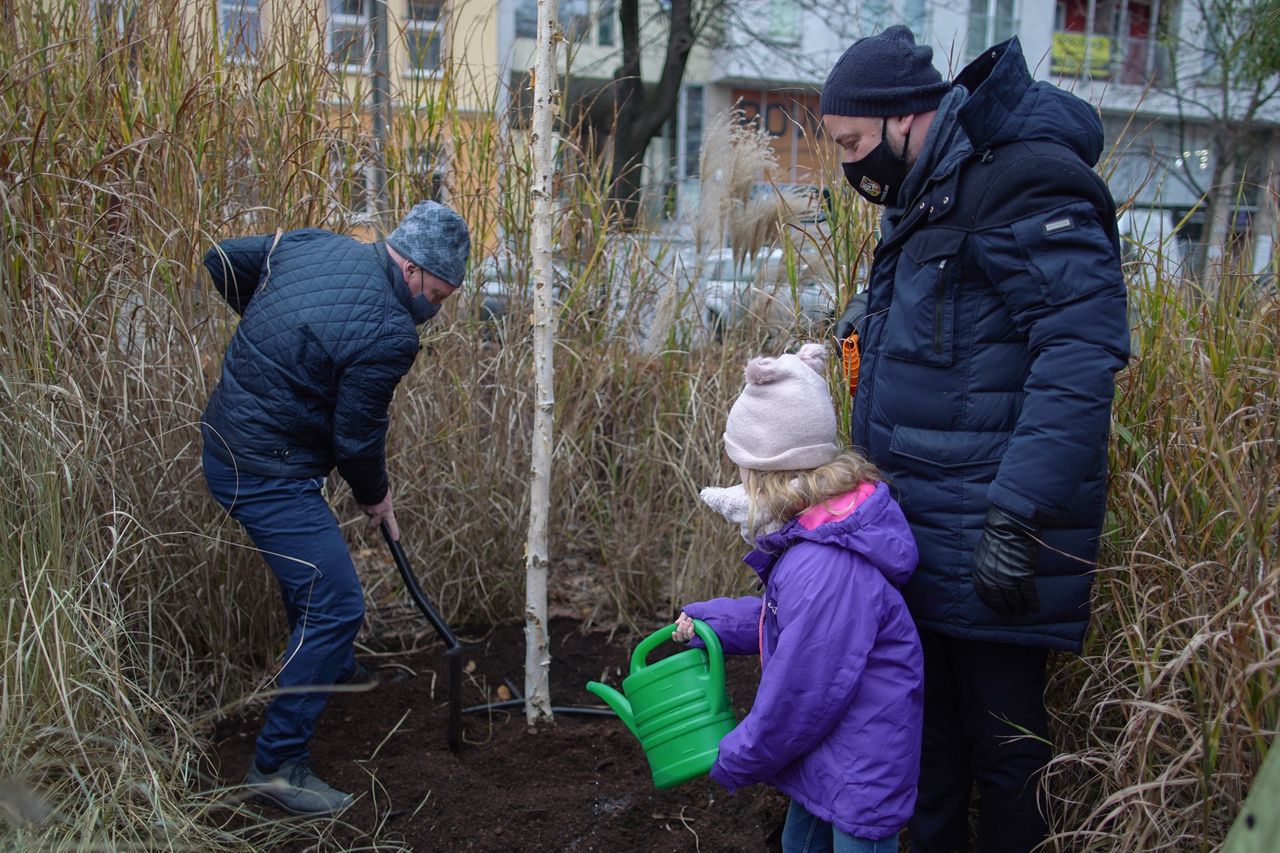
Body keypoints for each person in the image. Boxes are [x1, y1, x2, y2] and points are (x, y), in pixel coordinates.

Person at [819, 25, 1130, 852]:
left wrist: (1018, 513)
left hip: (994, 539)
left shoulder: (1022, 180)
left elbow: (1078, 353)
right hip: (926, 532)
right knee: (930, 752)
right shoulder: (935, 191)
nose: (850, 166)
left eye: (853, 143)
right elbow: (956, 337)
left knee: (1007, 759)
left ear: (904, 119)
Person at [199, 201, 471, 815]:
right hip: (264, 470)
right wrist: (378, 499)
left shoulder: (307, 245)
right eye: (438, 295)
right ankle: (277, 767)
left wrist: (273, 329)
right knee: (337, 600)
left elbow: (220, 258)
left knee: (316, 579)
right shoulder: (390, 332)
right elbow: (356, 439)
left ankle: (333, 667)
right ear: (412, 272)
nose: (436, 310)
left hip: (229, 439)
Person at [673, 342, 923, 853]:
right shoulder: (818, 533)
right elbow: (785, 619)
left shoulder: (826, 563)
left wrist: (738, 755)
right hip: (829, 756)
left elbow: (802, 690)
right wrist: (710, 624)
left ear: (768, 475)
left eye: (743, 468)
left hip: (857, 774)